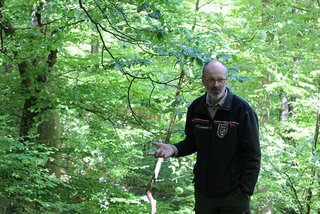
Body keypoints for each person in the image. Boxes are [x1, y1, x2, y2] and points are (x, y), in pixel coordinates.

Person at [149, 60, 261, 214]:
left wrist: (245, 190)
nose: (216, 84)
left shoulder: (242, 111)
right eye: (210, 79)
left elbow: (253, 153)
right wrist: (173, 149)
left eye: (220, 79)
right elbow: (192, 142)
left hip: (234, 195)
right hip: (204, 194)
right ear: (203, 81)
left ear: (226, 80)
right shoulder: (196, 108)